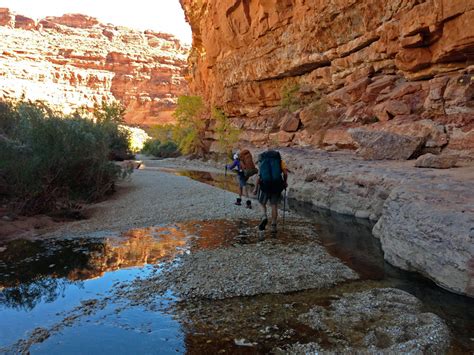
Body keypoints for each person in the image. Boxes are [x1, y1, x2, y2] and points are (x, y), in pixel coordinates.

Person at [254, 150, 288, 237]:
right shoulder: (280, 161)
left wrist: (255, 188)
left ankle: (264, 216)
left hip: (265, 186)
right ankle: (273, 225)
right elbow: (285, 173)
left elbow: (259, 176)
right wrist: (285, 182)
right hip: (276, 186)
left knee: (262, 203)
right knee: (274, 205)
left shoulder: (263, 162)